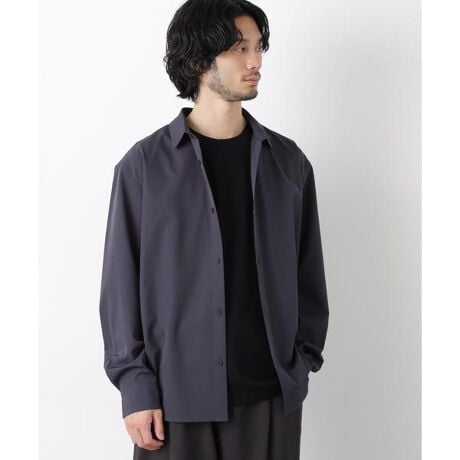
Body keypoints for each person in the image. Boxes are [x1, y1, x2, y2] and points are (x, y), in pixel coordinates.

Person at [98, 0, 330, 458]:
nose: (255, 61)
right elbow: (120, 289)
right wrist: (136, 387)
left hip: (270, 400)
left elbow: (310, 276)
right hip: (175, 403)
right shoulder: (144, 167)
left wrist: (300, 362)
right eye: (239, 48)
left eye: (259, 48)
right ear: (198, 59)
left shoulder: (288, 164)